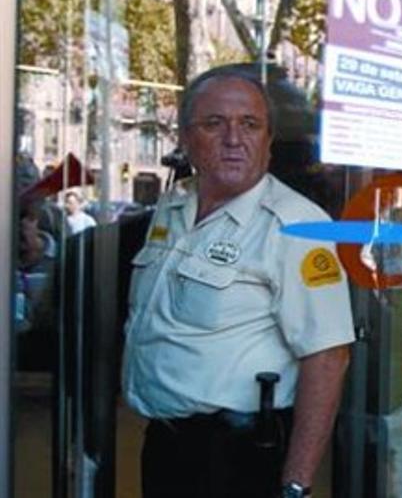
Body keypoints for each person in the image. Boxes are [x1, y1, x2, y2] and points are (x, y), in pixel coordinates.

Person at [123, 64, 355, 498]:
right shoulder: (174, 207)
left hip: (237, 459)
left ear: (268, 142)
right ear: (187, 137)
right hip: (166, 446)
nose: (234, 139)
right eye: (215, 123)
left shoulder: (297, 226)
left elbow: (327, 359)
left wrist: (296, 485)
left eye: (250, 124)